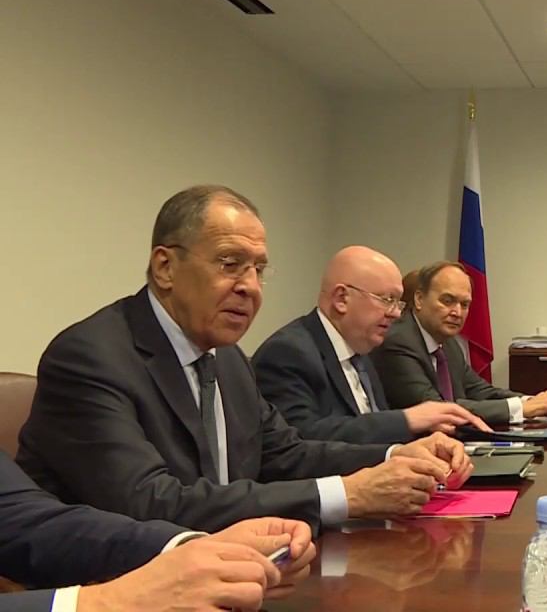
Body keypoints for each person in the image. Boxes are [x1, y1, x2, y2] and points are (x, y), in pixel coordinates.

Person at [17, 186, 474, 533]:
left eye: (258, 269)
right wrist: (346, 495)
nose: (250, 287)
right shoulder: (90, 359)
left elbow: (286, 454)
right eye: (229, 263)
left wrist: (396, 454)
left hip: (237, 565)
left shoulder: (228, 358)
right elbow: (150, 503)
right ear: (165, 267)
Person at [1, 450, 315, 611]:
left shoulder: (232, 367)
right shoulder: (89, 356)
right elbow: (144, 495)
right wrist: (103, 603)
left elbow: (24, 518)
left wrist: (194, 548)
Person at [253, 246, 489, 444]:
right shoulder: (288, 353)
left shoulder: (363, 353)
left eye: (398, 303)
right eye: (387, 300)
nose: (396, 313)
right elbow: (301, 440)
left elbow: (375, 431)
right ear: (341, 298)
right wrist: (407, 420)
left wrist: (422, 446)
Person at [374, 262, 547, 426]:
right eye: (447, 301)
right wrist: (521, 408)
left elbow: (479, 390)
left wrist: (533, 401)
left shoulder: (448, 344)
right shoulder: (398, 341)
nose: (457, 312)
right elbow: (436, 410)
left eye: (464, 304)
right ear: (419, 299)